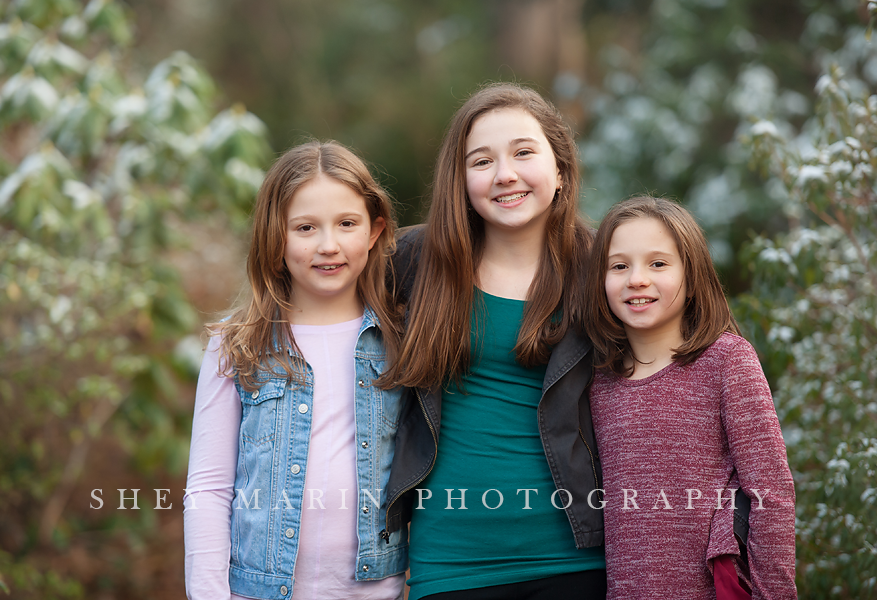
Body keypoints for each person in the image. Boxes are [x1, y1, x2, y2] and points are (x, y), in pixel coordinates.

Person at [381, 83, 606, 600]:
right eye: (481, 161)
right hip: (449, 564)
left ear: (562, 170)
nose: (505, 174)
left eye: (524, 152)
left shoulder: (602, 268)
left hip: (572, 559)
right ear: (460, 182)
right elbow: (316, 292)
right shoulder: (414, 261)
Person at [183, 140, 408, 600]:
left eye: (347, 224)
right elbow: (208, 487)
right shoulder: (237, 346)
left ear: (373, 229)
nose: (328, 245)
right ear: (276, 236)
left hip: (374, 591)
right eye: (305, 227)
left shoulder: (402, 341)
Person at [584, 196, 796, 599]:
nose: (637, 279)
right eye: (619, 266)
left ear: (692, 273)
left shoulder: (727, 360)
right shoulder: (598, 383)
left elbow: (771, 494)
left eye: (658, 263)